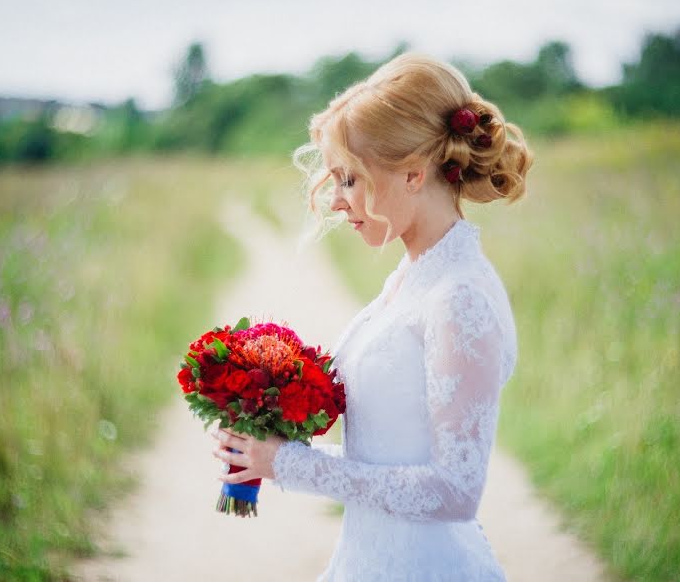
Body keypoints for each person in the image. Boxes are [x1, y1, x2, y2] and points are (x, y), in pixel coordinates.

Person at [210, 51, 534, 581]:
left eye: (349, 179)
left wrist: (290, 465)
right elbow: (392, 442)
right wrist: (267, 436)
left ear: (412, 173)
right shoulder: (415, 274)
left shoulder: (459, 296)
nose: (337, 201)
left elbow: (455, 490)